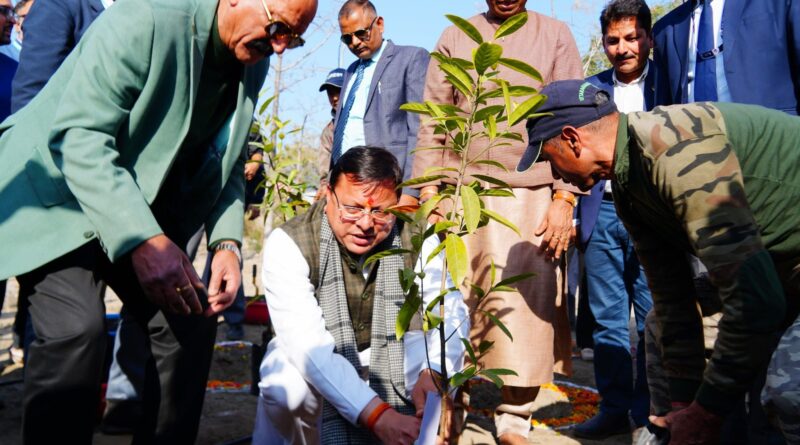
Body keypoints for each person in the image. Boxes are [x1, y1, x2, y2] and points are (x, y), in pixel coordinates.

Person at [0, 0, 317, 443]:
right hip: (56, 193)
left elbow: (226, 159)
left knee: (189, 318)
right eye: (278, 27)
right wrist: (145, 238)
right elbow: (80, 138)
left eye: (294, 37)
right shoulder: (145, 19)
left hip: (128, 199)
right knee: (77, 331)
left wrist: (226, 242)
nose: (280, 47)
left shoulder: (252, 62)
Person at [518, 79, 800, 445]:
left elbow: (756, 303)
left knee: (789, 389)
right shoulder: (629, 181)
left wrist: (706, 412)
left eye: (549, 159)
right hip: (778, 267)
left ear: (573, 139)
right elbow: (673, 299)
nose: (556, 175)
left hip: (781, 270)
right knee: (657, 329)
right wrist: (683, 407)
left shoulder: (675, 152)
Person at [411, 0, 584, 442]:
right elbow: (434, 116)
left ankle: (513, 414)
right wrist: (430, 191)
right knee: (454, 301)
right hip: (461, 188)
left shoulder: (555, 33)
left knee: (524, 305)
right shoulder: (456, 36)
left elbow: (571, 119)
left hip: (530, 188)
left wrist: (565, 195)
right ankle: (451, 401)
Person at [253, 146, 468, 444]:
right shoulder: (291, 241)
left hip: (397, 348)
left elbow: (450, 310)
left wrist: (434, 373)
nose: (366, 224)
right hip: (321, 349)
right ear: (329, 194)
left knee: (435, 370)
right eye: (353, 208)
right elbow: (308, 347)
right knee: (286, 389)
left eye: (380, 211)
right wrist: (378, 415)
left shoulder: (418, 234)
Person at [571, 0, 655, 439]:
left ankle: (650, 413)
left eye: (632, 37)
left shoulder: (667, 82)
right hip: (600, 211)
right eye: (613, 39)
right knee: (606, 318)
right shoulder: (588, 91)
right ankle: (614, 407)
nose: (623, 48)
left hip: (652, 214)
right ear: (603, 42)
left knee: (652, 317)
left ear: (648, 37)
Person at [331, 0, 428, 206]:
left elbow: (420, 129)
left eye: (361, 33)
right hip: (348, 186)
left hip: (390, 185)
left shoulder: (410, 58)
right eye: (347, 38)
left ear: (380, 24)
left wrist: (412, 190)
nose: (355, 42)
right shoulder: (350, 71)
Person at [652, 0, 800, 114]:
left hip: (770, 140)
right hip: (698, 145)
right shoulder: (664, 30)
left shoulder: (779, 3)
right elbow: (665, 107)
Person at [317, 67, 344, 191]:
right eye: (330, 93)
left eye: (339, 91)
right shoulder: (329, 131)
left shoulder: (366, 120)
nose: (334, 98)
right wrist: (324, 185)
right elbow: (325, 167)